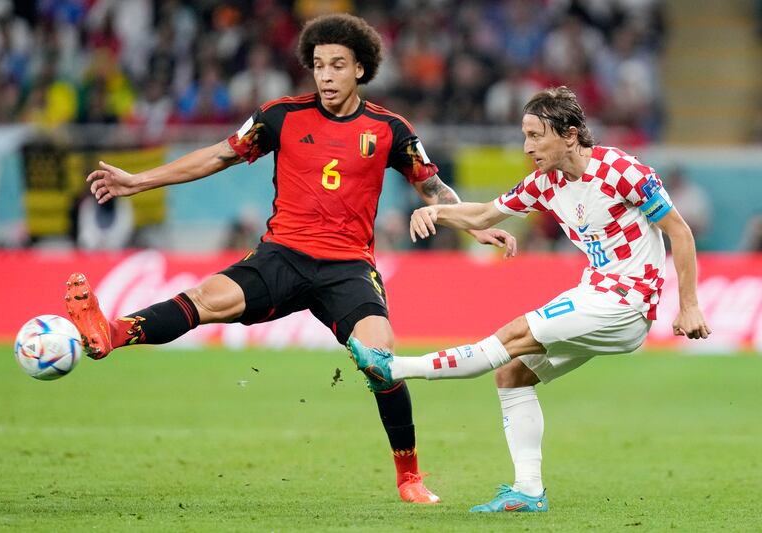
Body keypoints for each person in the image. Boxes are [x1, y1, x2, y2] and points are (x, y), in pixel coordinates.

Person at [65, 14, 516, 505]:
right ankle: (109, 334)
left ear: (360, 70)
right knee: (204, 299)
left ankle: (409, 477)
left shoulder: (389, 129)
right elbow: (218, 155)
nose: (325, 76)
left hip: (348, 268)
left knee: (382, 364)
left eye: (337, 66)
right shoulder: (279, 115)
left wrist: (473, 222)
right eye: (318, 65)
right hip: (283, 255)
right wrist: (138, 180)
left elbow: (432, 188)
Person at [347, 86, 711, 512]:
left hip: (625, 300)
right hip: (595, 296)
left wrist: (688, 305)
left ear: (570, 134)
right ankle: (528, 491)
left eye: (537, 135)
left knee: (511, 337)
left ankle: (393, 368)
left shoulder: (621, 170)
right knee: (514, 375)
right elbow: (485, 214)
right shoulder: (545, 183)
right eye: (525, 135)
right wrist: (436, 211)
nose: (527, 146)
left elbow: (680, 231)